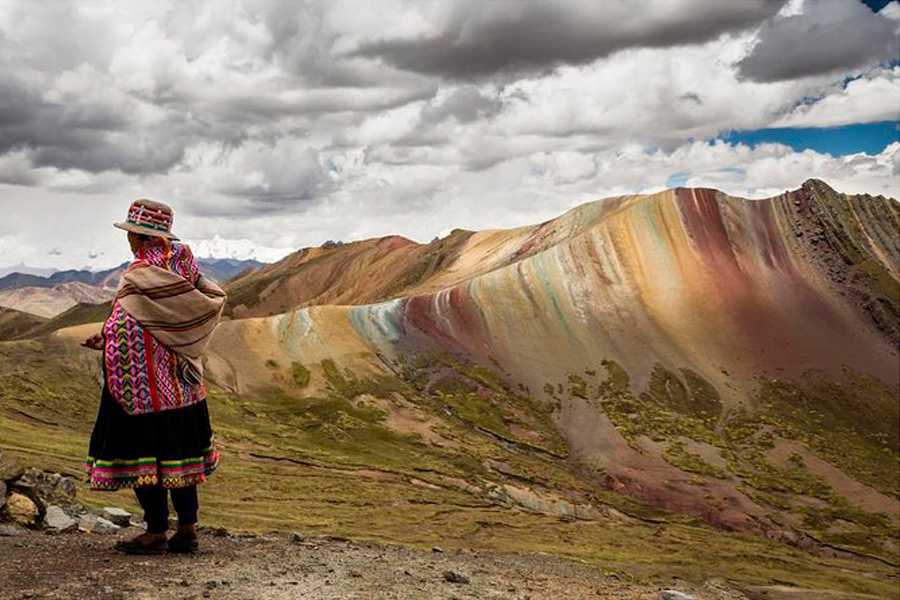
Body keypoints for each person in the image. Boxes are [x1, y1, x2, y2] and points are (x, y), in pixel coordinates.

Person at [82, 198, 227, 555]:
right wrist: (111, 335)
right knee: (181, 458)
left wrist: (108, 339)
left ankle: (156, 532)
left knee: (145, 459)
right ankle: (188, 530)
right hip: (182, 386)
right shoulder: (186, 270)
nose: (128, 239)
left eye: (130, 233)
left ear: (137, 235)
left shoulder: (141, 274)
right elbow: (172, 322)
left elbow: (131, 327)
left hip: (140, 391)